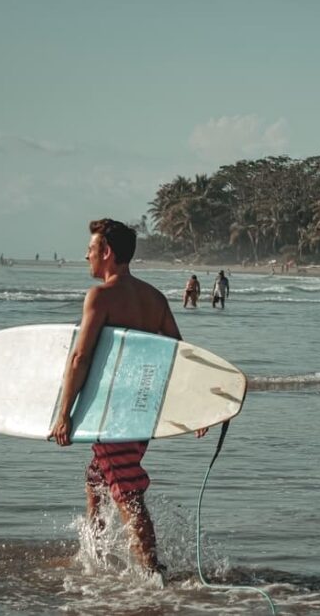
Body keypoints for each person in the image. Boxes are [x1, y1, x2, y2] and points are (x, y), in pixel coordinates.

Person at [49, 218, 208, 575]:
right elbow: (178, 356)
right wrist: (198, 407)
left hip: (113, 412)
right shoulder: (154, 298)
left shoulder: (101, 296)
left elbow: (80, 357)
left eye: (91, 250)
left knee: (126, 493)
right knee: (96, 480)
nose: (87, 256)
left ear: (106, 253)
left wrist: (64, 413)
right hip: (140, 413)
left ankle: (153, 574)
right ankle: (97, 556)